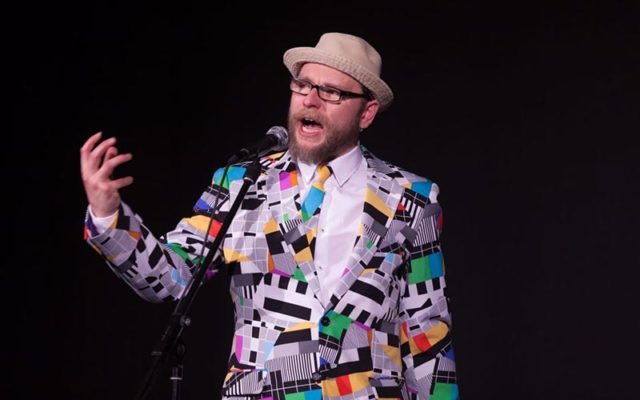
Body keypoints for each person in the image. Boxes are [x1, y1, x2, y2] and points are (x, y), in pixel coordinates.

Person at [81, 32, 459, 400]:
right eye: (303, 85)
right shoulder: (242, 184)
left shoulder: (410, 198)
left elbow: (427, 334)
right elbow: (172, 277)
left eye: (331, 91)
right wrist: (108, 214)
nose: (310, 100)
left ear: (367, 112)